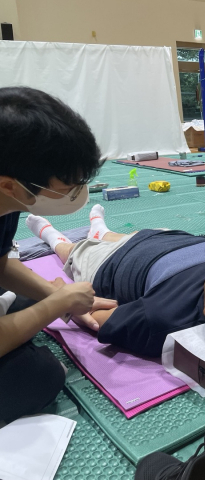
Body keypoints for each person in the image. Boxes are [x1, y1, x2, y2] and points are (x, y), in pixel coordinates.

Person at [25, 206, 205, 358]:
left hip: (113, 262)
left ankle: (52, 236)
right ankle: (101, 230)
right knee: (127, 235)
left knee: (76, 251)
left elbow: (95, 317)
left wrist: (65, 301)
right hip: (171, 238)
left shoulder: (165, 317)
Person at [0, 87, 113, 425]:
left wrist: (59, 298)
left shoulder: (11, 197)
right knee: (40, 378)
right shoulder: (12, 188)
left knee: (24, 301)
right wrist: (55, 304)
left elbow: (1, 264)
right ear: (10, 186)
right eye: (66, 190)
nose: (75, 195)